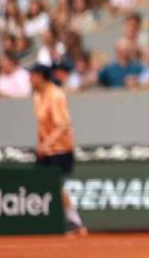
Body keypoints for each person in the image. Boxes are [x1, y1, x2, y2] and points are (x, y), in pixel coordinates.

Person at [29, 64, 87, 236]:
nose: (30, 79)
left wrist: (47, 144)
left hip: (61, 149)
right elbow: (42, 125)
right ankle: (59, 220)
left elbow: (63, 124)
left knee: (56, 184)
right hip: (45, 149)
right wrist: (42, 145)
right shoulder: (37, 96)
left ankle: (74, 221)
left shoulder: (56, 94)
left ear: (41, 76)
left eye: (32, 75)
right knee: (41, 182)